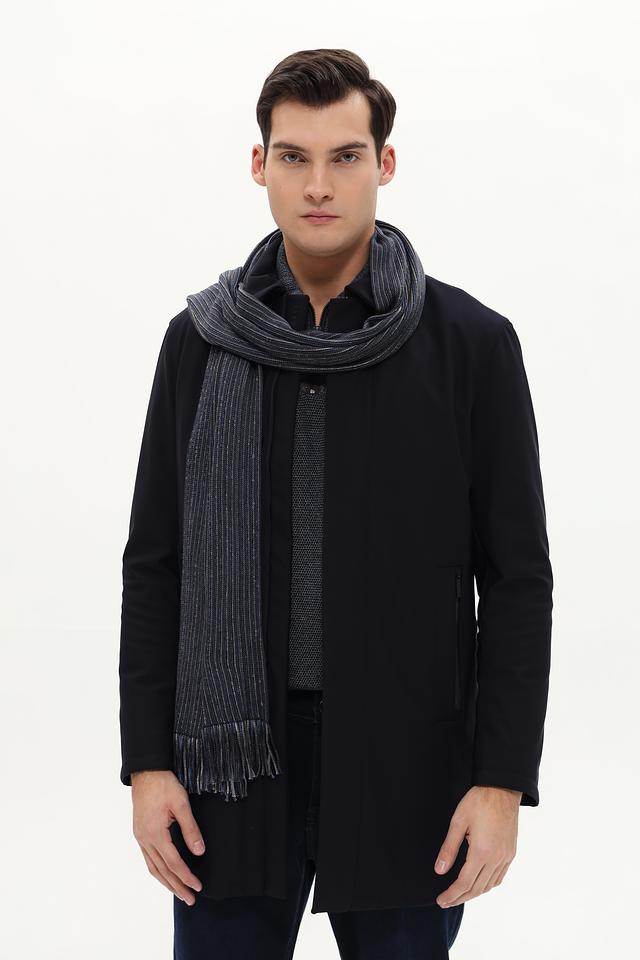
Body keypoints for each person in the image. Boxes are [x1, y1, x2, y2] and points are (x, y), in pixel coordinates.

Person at [118, 48, 553, 960]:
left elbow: (517, 581)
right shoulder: (198, 342)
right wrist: (148, 764)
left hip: (410, 768)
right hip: (230, 773)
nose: (318, 185)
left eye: (345, 156)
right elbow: (156, 564)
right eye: (294, 156)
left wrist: (502, 782)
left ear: (384, 164)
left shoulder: (472, 345)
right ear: (260, 164)